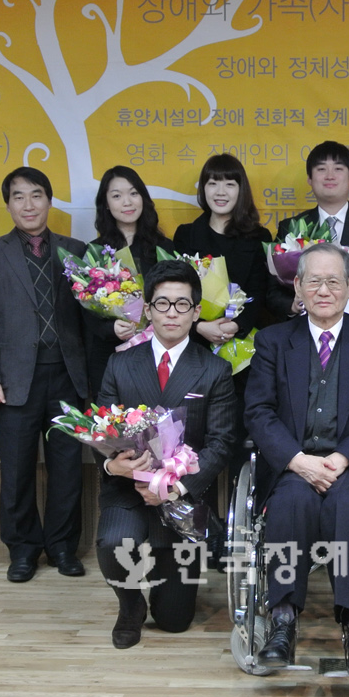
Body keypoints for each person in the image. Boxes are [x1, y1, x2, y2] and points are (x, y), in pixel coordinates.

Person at [243, 242, 349, 674]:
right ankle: (281, 623)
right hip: (293, 467)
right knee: (291, 502)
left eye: (334, 280)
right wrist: (296, 460)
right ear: (297, 286)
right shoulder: (273, 341)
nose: (324, 289)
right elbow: (257, 412)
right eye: (314, 280)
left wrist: (344, 457)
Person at [96, 261, 237, 648]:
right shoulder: (120, 364)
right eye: (162, 303)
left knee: (175, 621)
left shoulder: (215, 370)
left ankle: (165, 595)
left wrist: (175, 487)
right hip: (127, 489)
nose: (171, 313)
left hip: (182, 498)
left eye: (181, 305)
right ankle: (129, 606)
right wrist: (113, 464)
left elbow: (221, 443)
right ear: (147, 309)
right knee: (111, 544)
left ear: (195, 312)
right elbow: (100, 429)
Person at [0, 167, 91, 583]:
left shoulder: (76, 250)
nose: (28, 205)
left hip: (67, 377)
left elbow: (90, 320)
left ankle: (62, 547)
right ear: (8, 205)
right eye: (19, 197)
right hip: (13, 380)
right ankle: (22, 550)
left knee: (67, 468)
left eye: (36, 195)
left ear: (49, 201)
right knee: (18, 470)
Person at [267, 140, 349, 317]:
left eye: (338, 168)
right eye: (321, 169)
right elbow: (272, 289)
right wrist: (293, 305)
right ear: (310, 180)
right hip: (306, 330)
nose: (329, 176)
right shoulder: (290, 227)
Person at [85, 166, 174, 394]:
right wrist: (111, 327)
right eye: (117, 196)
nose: (127, 202)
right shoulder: (96, 253)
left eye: (134, 193)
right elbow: (83, 312)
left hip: (157, 351)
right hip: (110, 354)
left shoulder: (164, 248)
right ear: (105, 204)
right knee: (113, 424)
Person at [173, 154, 273, 349]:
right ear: (203, 188)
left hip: (244, 342)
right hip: (195, 343)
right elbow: (177, 293)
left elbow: (259, 291)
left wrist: (235, 325)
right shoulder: (186, 235)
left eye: (229, 184)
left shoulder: (259, 237)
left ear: (240, 190)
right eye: (212, 183)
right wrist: (199, 326)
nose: (220, 192)